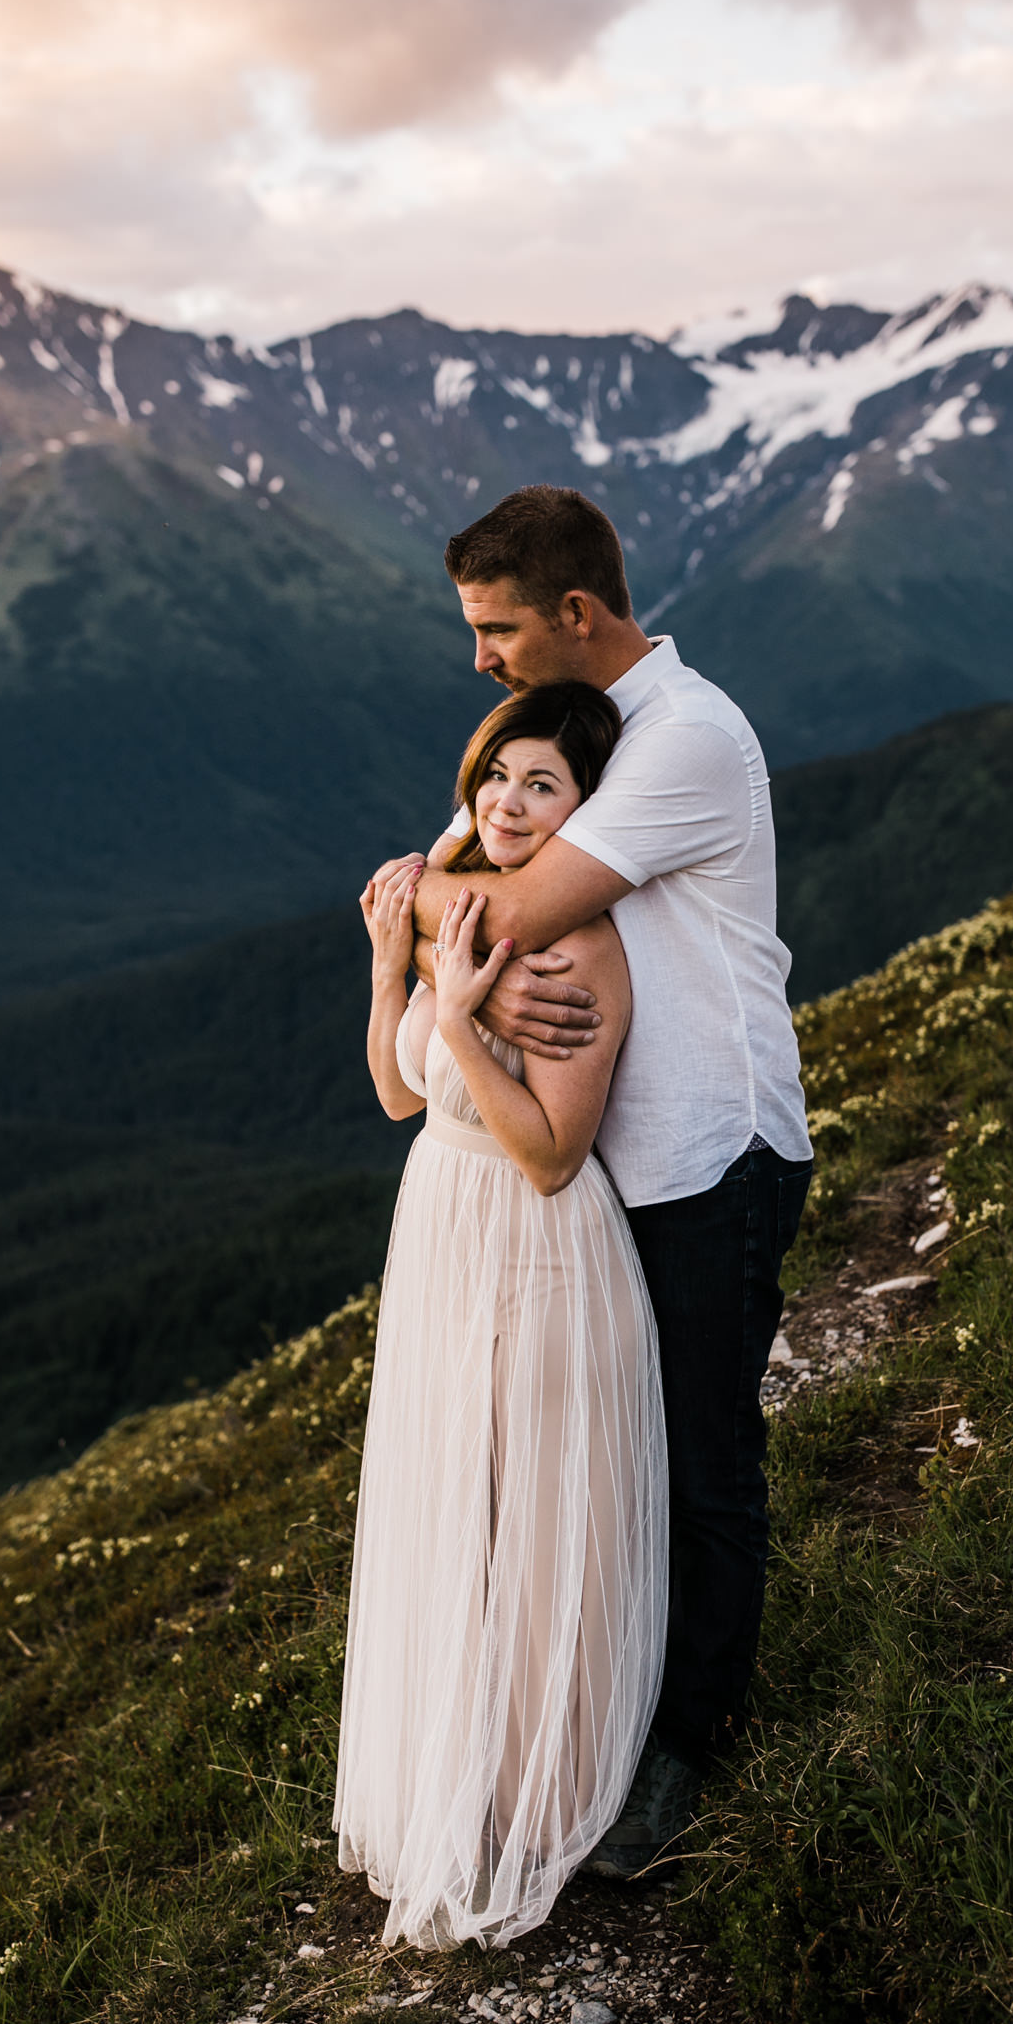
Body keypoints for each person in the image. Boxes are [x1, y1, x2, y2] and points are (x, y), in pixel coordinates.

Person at [374, 483, 812, 1877]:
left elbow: (495, 906)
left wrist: (401, 896)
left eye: (498, 628)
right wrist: (437, 897)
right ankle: (602, 1716)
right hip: (609, 1156)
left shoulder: (686, 739)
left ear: (575, 613)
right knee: (613, 1457)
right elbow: (489, 869)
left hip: (707, 1148)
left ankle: (687, 1747)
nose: (482, 659)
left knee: (700, 1461)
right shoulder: (603, 742)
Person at [335, 681, 668, 1949]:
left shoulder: (581, 947)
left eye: (546, 786)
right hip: (440, 1239)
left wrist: (466, 1016)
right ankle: (469, 1771)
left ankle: (552, 1793)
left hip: (533, 1249)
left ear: (586, 812)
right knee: (453, 1507)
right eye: (498, 777)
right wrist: (396, 973)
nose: (512, 804)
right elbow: (393, 1095)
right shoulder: (454, 917)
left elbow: (547, 1154)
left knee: (528, 1520)